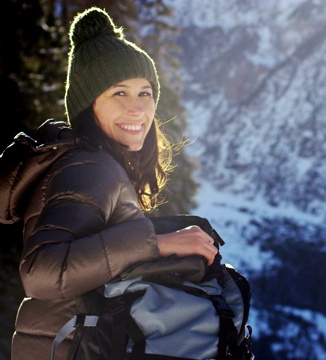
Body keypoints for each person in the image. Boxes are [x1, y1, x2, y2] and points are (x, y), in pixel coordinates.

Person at [0, 7, 218, 359]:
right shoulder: (91, 168)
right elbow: (41, 272)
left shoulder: (94, 163)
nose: (137, 109)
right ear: (89, 105)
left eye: (144, 93)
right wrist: (154, 243)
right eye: (119, 93)